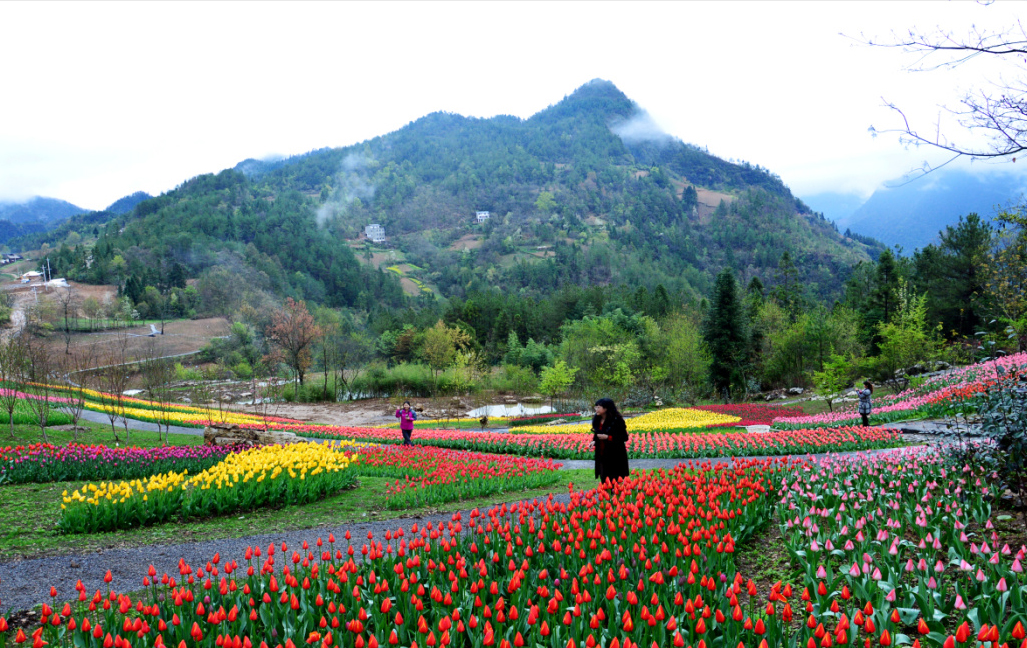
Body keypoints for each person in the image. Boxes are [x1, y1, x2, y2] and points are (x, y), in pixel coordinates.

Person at [590, 398, 629, 483]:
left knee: (614, 477)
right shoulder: (597, 419)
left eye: (598, 407)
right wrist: (594, 441)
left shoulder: (617, 420)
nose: (596, 409)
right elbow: (597, 433)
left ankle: (615, 493)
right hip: (601, 453)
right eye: (595, 407)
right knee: (603, 476)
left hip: (615, 454)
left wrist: (608, 437)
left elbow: (624, 437)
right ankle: (606, 493)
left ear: (606, 408)